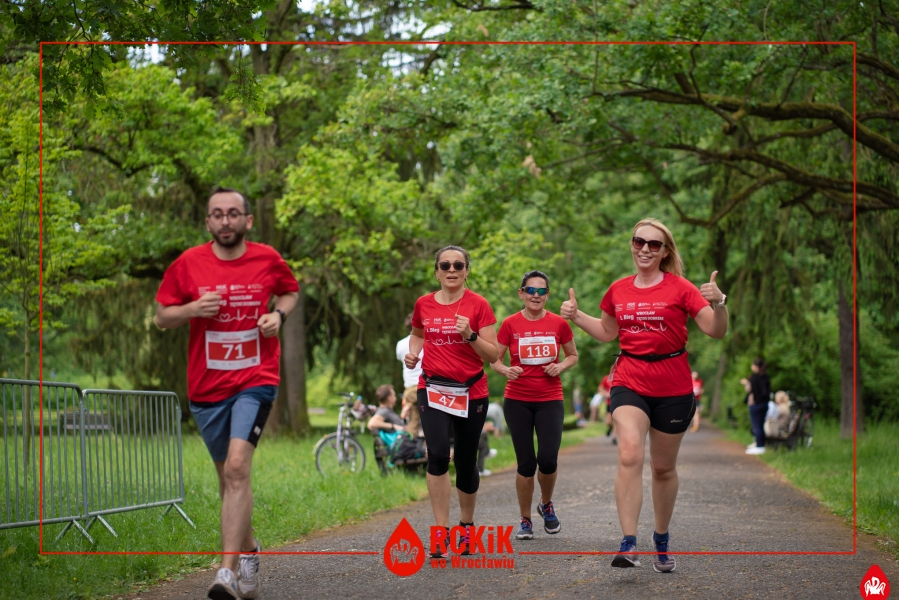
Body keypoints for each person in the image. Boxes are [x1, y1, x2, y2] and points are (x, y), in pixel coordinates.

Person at [154, 187, 299, 600]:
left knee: (237, 468)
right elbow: (162, 316)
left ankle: (226, 573)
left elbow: (290, 291)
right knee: (228, 478)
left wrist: (278, 315)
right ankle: (249, 551)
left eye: (233, 213)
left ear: (247, 220)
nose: (225, 220)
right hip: (207, 387)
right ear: (208, 222)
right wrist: (192, 310)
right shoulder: (188, 263)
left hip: (256, 378)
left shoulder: (267, 259)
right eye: (217, 214)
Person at [560, 217, 728, 574]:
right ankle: (628, 541)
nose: (645, 249)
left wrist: (720, 304)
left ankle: (661, 538)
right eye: (639, 242)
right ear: (632, 245)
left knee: (663, 468)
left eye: (654, 244)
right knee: (629, 451)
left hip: (673, 386)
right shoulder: (618, 289)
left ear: (665, 251)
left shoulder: (681, 288)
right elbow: (607, 332)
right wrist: (576, 317)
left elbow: (715, 331)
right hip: (630, 379)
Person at [403, 245, 499, 558]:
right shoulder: (424, 303)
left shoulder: (479, 304)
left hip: (471, 391)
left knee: (466, 461)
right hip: (433, 388)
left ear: (467, 271)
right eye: (445, 265)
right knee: (438, 456)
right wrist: (414, 353)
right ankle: (441, 532)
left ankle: (466, 526)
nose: (452, 270)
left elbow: (494, 354)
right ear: (437, 272)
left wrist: (470, 335)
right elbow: (418, 333)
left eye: (458, 265)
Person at [490, 270, 578, 540]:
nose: (535, 295)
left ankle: (546, 504)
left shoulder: (559, 324)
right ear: (521, 293)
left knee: (548, 460)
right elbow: (494, 359)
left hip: (550, 399)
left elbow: (573, 355)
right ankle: (525, 519)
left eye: (541, 291)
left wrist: (560, 366)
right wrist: (506, 370)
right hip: (517, 400)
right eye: (531, 290)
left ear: (547, 295)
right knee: (526, 464)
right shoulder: (509, 324)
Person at [396, 313, 423, 437]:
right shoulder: (426, 342)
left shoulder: (400, 344)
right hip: (425, 385)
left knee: (412, 422)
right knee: (431, 419)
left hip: (410, 388)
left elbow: (401, 359)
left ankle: (411, 445)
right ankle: (430, 446)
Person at [741, 358, 771, 455]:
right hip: (764, 404)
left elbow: (749, 390)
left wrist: (746, 383)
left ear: (756, 367)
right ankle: (761, 444)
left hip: (755, 404)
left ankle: (759, 446)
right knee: (761, 425)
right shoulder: (766, 377)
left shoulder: (753, 377)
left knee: (756, 426)